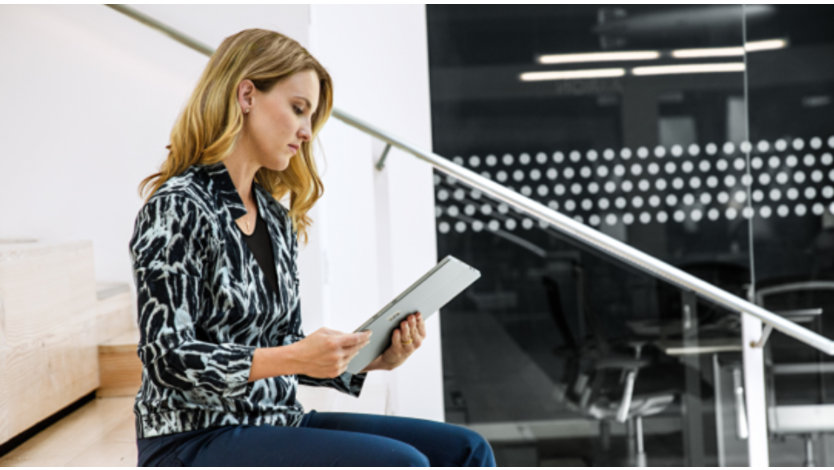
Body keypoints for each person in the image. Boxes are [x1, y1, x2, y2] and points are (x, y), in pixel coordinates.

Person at [129, 28, 495, 467]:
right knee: (404, 464)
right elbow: (169, 357)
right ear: (246, 95)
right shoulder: (177, 207)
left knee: (467, 450)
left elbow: (279, 344)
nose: (306, 132)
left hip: (275, 419)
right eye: (298, 109)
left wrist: (368, 361)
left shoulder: (273, 216)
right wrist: (293, 355)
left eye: (311, 118)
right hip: (191, 437)